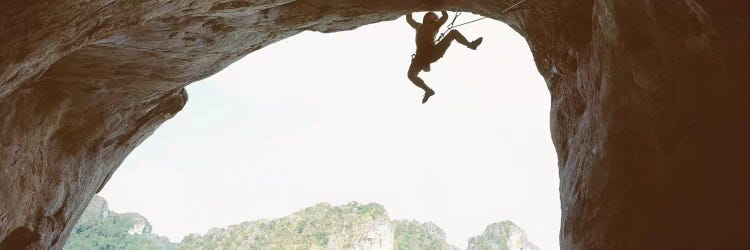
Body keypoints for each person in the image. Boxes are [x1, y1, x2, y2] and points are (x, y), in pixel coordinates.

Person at [406, 11, 483, 103]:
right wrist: (410, 8)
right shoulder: (418, 25)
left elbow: (445, 16)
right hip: (420, 56)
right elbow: (409, 19)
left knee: (453, 33)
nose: (436, 19)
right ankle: (428, 91)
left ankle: (470, 45)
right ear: (427, 17)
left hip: (433, 51)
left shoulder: (436, 25)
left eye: (436, 18)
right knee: (411, 75)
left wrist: (442, 8)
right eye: (434, 16)